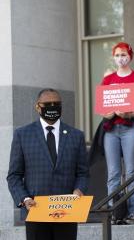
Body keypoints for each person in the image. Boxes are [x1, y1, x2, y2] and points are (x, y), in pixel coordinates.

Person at [7, 89, 89, 240]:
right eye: (47, 104)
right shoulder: (22, 135)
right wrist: (24, 199)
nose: (52, 107)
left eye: (56, 104)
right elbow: (14, 175)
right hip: (36, 211)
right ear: (37, 107)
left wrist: (79, 189)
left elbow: (83, 173)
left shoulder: (76, 135)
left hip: (67, 212)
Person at [100, 42, 134, 222]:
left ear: (130, 55)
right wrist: (107, 113)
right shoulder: (108, 80)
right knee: (113, 172)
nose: (120, 58)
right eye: (117, 55)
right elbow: (102, 107)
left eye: (123, 54)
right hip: (111, 129)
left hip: (130, 128)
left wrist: (130, 113)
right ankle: (114, 211)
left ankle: (132, 211)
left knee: (131, 171)